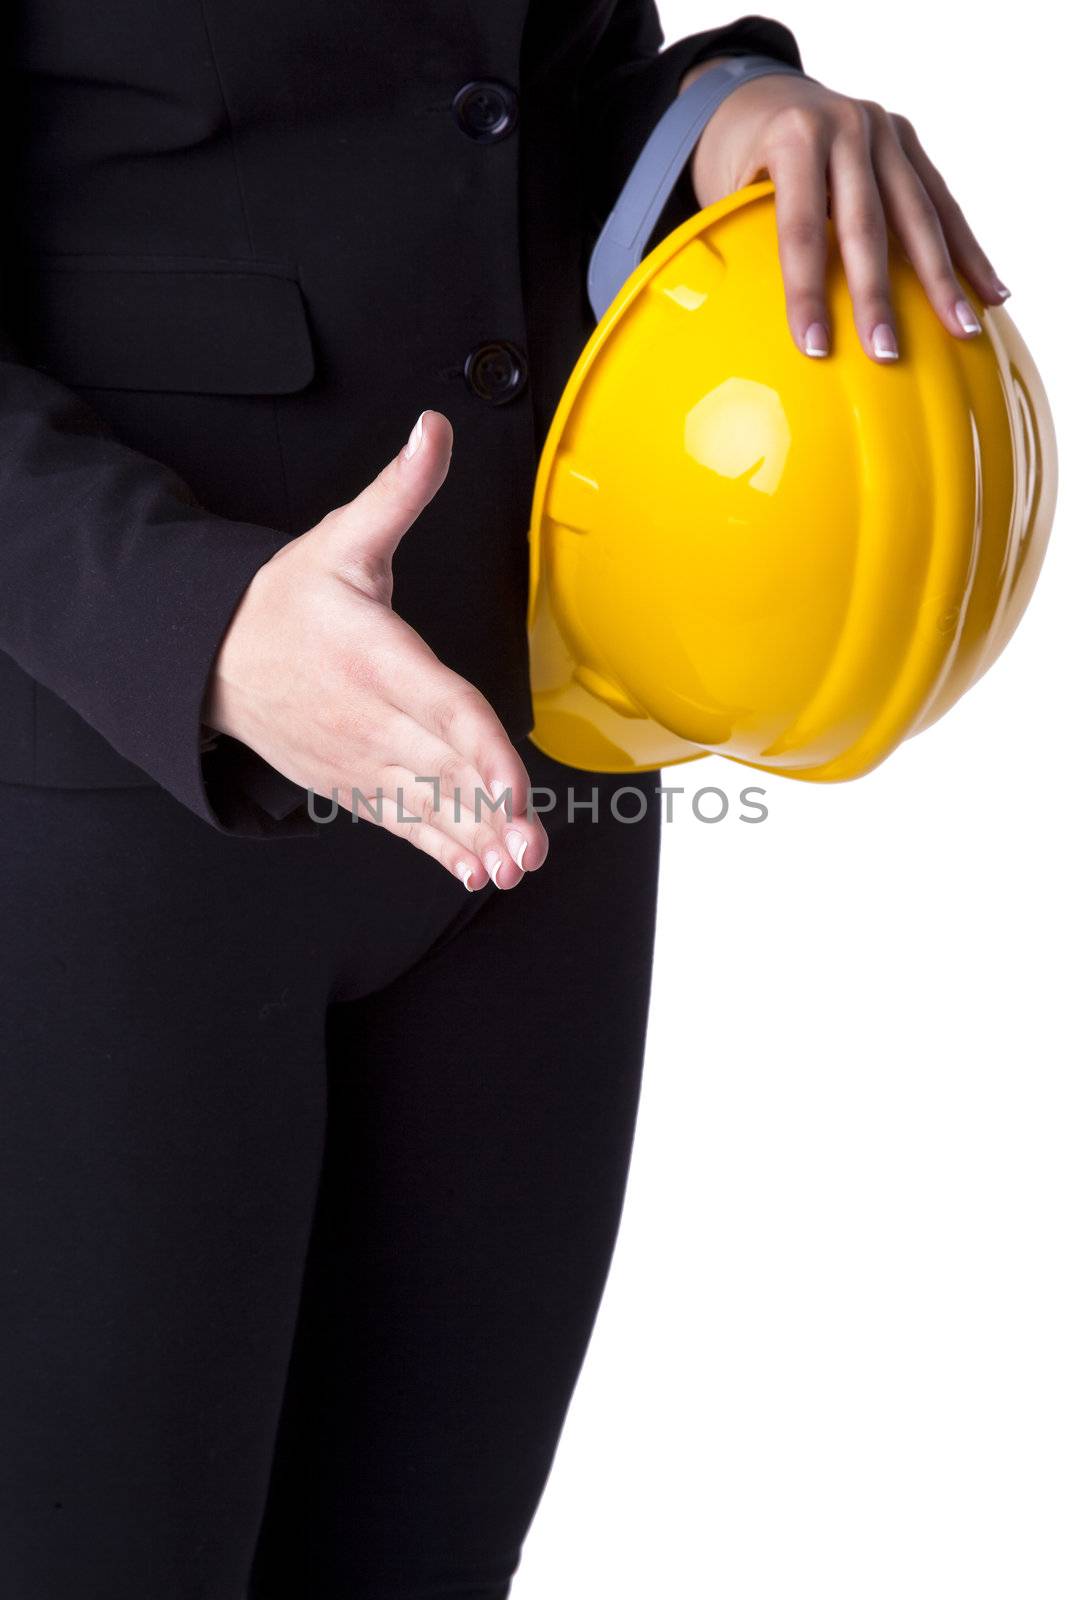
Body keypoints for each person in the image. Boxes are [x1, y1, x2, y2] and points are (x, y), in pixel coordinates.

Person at [0, 5, 1006, 1596]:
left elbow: (529, 89)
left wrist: (720, 119)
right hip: (92, 795)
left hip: (541, 789)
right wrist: (190, 625)